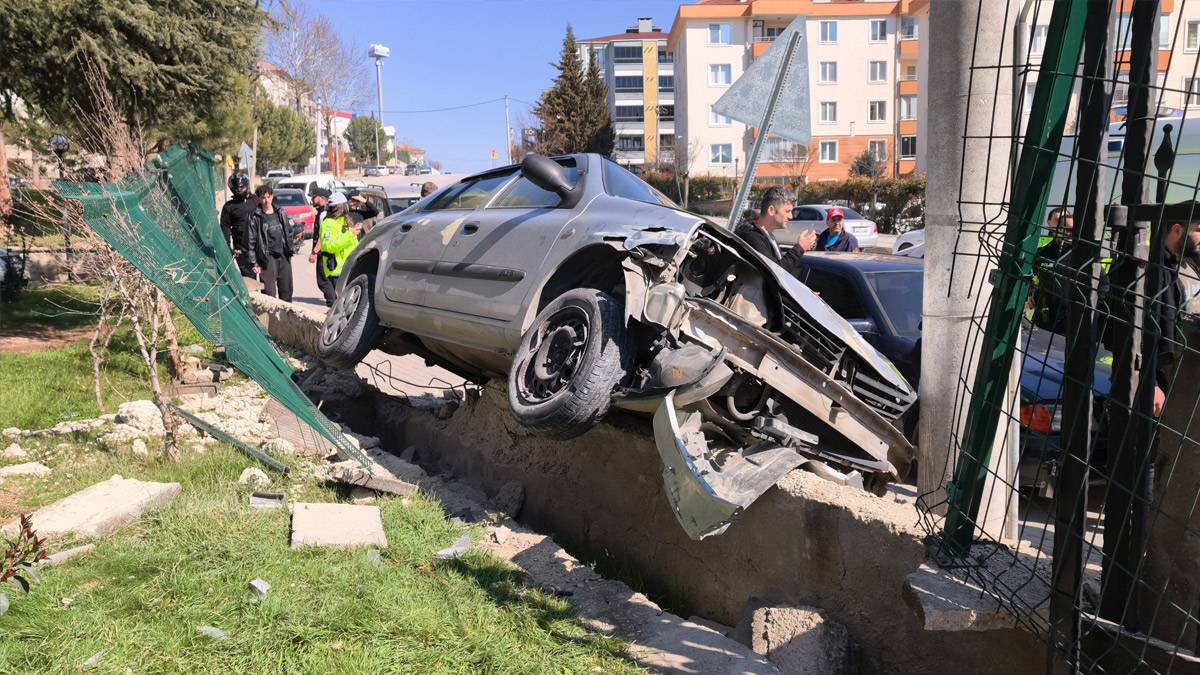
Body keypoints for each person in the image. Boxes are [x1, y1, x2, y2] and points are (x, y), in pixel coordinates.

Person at [734, 186, 816, 276]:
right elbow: (776, 273)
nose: (791, 216)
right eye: (787, 211)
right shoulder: (752, 237)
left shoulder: (766, 235)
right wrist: (799, 248)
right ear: (771, 210)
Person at [247, 185, 297, 302]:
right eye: (263, 198)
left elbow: (288, 231)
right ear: (259, 198)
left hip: (283, 256)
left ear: (272, 196)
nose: (266, 201)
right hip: (267, 258)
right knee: (269, 293)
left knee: (287, 290)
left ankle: (286, 318)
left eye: (268, 197)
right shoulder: (255, 216)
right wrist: (254, 263)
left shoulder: (280, 211)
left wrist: (292, 244)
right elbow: (251, 241)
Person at [318, 192, 361, 299]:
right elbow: (328, 246)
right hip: (338, 270)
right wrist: (349, 234)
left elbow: (353, 244)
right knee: (343, 303)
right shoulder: (328, 223)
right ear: (341, 206)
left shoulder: (345, 220)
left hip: (350, 267)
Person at [219, 172, 258, 277]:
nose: (240, 189)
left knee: (267, 283)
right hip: (242, 249)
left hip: (259, 247)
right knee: (248, 278)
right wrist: (227, 247)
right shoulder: (229, 207)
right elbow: (225, 228)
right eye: (237, 188)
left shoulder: (255, 201)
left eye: (242, 187)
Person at [307, 188, 336, 306]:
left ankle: (332, 304)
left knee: (323, 281)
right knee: (329, 279)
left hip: (324, 252)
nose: (312, 199)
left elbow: (323, 236)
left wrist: (314, 252)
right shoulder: (325, 211)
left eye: (314, 197)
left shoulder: (324, 213)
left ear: (321, 198)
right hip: (328, 251)